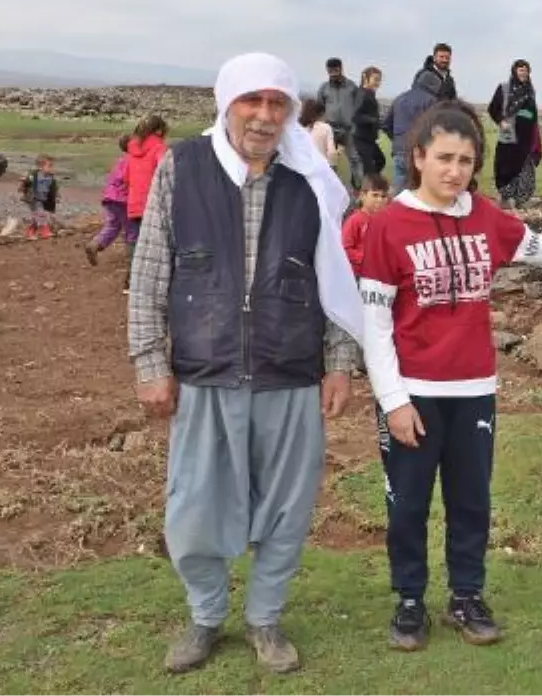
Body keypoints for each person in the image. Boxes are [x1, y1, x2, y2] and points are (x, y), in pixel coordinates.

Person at [360, 100, 542, 652]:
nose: (454, 171)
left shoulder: (485, 216)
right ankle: (410, 601)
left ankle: (466, 595)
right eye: (443, 158)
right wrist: (393, 400)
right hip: (413, 394)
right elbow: (375, 322)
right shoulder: (388, 226)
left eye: (465, 159)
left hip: (474, 390)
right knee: (407, 503)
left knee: (470, 501)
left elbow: (539, 250)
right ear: (418, 157)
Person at [127, 51, 363, 676]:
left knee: (286, 509)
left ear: (289, 112)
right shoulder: (184, 166)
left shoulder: (308, 181)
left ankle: (265, 619)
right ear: (226, 103)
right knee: (194, 508)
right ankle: (205, 617)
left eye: (276, 103)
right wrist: (150, 363)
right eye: (251, 101)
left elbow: (336, 281)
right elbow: (151, 271)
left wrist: (340, 362)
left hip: (290, 371)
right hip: (206, 372)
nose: (264, 115)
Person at [123, 114, 169, 292]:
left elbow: (127, 178)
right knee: (158, 244)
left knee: (136, 243)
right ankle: (152, 284)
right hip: (154, 203)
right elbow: (166, 172)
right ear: (159, 130)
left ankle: (130, 282)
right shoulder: (159, 148)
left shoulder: (132, 150)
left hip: (134, 203)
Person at [487, 60, 539, 209]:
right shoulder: (504, 88)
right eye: (521, 70)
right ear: (514, 71)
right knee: (505, 164)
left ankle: (518, 198)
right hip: (509, 134)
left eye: (526, 70)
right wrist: (501, 121)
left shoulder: (530, 91)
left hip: (526, 135)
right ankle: (505, 196)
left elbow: (533, 113)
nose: (524, 73)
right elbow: (493, 108)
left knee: (522, 165)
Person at [382, 70, 443, 192]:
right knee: (418, 188)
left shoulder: (399, 98)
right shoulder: (432, 101)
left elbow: (385, 124)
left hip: (399, 150)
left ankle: (396, 209)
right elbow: (436, 128)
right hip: (420, 150)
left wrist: (397, 139)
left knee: (399, 186)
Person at [85, 135, 133, 264]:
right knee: (131, 229)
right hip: (123, 200)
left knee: (113, 225)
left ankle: (96, 244)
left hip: (110, 198)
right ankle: (132, 258)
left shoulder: (120, 161)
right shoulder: (133, 161)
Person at [316, 57, 362, 188]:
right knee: (329, 161)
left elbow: (359, 107)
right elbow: (319, 109)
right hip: (330, 130)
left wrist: (356, 126)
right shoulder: (324, 88)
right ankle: (331, 188)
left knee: (355, 159)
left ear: (341, 69)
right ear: (327, 71)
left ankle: (358, 189)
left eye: (336, 70)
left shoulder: (352, 87)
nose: (333, 74)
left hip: (349, 130)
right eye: (330, 71)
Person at [342, 172, 390, 278]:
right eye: (375, 195)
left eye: (383, 196)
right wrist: (365, 257)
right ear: (363, 196)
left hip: (381, 274)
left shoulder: (387, 220)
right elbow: (345, 248)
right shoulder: (355, 220)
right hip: (359, 276)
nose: (380, 200)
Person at [352, 66, 386, 178]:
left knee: (380, 161)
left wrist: (379, 123)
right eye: (375, 79)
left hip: (370, 139)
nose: (378, 82)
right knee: (369, 170)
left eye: (379, 79)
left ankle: (372, 185)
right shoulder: (362, 94)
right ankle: (368, 188)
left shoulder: (370, 93)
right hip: (361, 139)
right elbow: (355, 116)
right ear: (365, 78)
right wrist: (373, 120)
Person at [18, 154, 60, 240]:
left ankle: (30, 232)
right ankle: (45, 231)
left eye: (52, 166)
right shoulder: (34, 175)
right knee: (41, 214)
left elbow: (54, 188)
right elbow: (25, 180)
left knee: (36, 218)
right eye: (49, 166)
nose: (51, 168)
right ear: (40, 167)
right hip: (34, 198)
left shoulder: (51, 178)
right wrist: (21, 186)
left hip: (43, 200)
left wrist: (56, 196)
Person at [300, 98, 339, 172]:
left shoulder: (298, 129)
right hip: (321, 168)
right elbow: (331, 152)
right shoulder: (326, 128)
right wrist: (333, 167)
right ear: (321, 114)